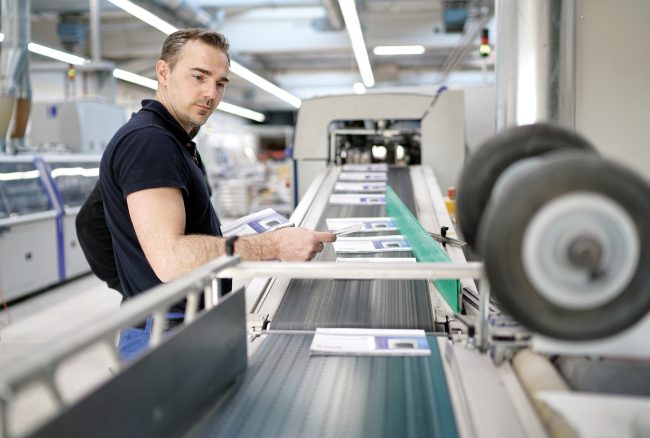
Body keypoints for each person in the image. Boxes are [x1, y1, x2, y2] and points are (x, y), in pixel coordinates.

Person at [99, 29, 335, 359]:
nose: (211, 93)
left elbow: (94, 222)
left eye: (220, 83)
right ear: (163, 72)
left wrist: (136, 280)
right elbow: (170, 259)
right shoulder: (149, 142)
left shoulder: (171, 140)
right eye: (199, 77)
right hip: (166, 334)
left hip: (175, 322)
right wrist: (274, 245)